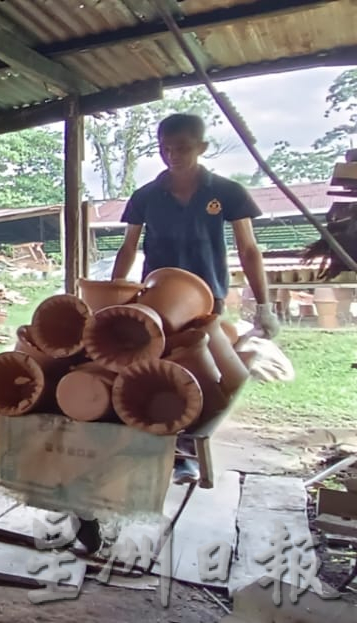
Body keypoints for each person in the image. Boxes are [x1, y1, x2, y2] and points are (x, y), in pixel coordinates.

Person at [111, 113, 280, 484]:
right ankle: (167, 454)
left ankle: (186, 447)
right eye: (165, 149)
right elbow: (128, 248)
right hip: (157, 304)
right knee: (160, 375)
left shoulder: (226, 191)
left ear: (202, 148)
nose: (173, 155)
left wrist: (264, 305)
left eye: (182, 148)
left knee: (202, 376)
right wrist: (114, 294)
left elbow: (249, 249)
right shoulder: (146, 197)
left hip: (208, 302)